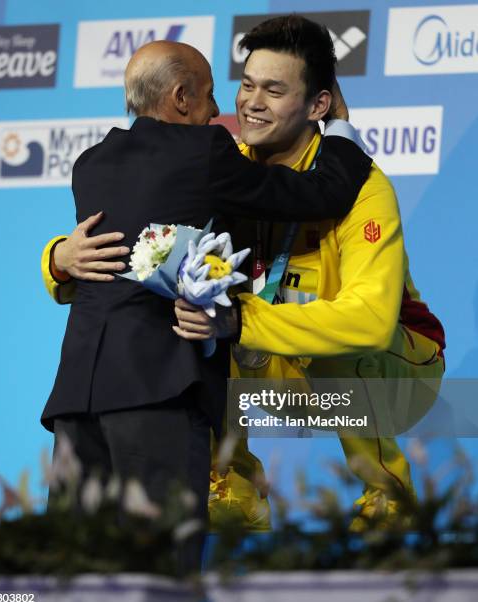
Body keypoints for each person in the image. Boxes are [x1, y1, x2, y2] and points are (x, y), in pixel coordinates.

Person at [40, 35, 372, 567]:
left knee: (74, 577)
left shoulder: (91, 163)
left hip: (77, 398)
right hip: (158, 391)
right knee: (161, 573)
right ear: (180, 98)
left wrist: (56, 257)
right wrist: (340, 130)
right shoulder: (204, 153)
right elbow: (319, 195)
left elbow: (99, 254)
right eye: (211, 94)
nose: (221, 110)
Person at [173, 15, 446, 531]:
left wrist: (241, 321)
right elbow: (144, 231)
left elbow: (368, 323)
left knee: (342, 342)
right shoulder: (228, 169)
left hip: (394, 368)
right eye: (247, 86)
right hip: (272, 365)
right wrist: (61, 262)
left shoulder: (364, 189)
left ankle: (388, 500)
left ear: (318, 105)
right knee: (185, 316)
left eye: (274, 90)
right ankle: (231, 492)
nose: (253, 102)